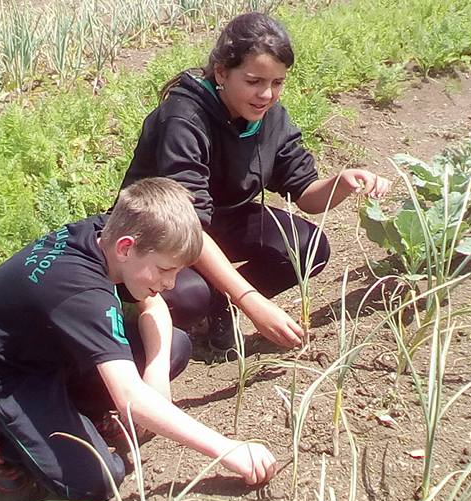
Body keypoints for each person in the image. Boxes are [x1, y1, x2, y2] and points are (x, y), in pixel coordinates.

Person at [0, 177, 277, 500]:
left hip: (53, 347)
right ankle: (3, 439)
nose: (170, 283)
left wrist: (155, 374)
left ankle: (83, 411)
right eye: (165, 270)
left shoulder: (107, 234)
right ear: (126, 247)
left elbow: (154, 306)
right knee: (98, 479)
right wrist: (227, 449)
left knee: (173, 347)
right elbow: (130, 398)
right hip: (8, 375)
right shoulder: (81, 291)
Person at [121, 12, 390, 353]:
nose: (266, 94)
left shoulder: (270, 117)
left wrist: (343, 182)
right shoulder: (184, 119)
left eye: (277, 83)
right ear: (221, 72)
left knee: (308, 249)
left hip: (220, 222)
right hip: (159, 233)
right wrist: (252, 301)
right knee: (189, 297)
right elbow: (187, 224)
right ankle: (135, 322)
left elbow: (305, 193)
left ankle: (220, 303)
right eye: (253, 81)